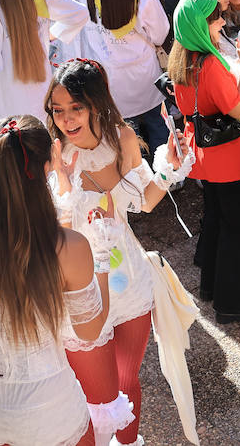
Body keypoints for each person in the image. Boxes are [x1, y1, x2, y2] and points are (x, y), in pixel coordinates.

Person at [0, 116, 108, 446]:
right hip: (49, 405)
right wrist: (104, 260)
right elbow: (89, 332)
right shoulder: (69, 247)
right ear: (45, 170)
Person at [46, 59, 190, 446]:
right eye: (58, 110)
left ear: (96, 104)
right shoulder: (54, 150)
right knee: (90, 393)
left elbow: (144, 201)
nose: (66, 119)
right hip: (79, 289)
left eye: (76, 108)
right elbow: (52, 230)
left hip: (126, 278)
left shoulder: (122, 138)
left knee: (126, 381)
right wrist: (60, 183)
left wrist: (170, 169)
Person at [168, 0, 240, 323]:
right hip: (230, 158)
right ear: (200, 24)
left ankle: (210, 286)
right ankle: (231, 301)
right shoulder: (210, 64)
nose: (222, 21)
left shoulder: (181, 60)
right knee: (236, 228)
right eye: (215, 19)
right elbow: (239, 108)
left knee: (215, 220)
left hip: (204, 156)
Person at [79, 0, 172, 156]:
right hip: (147, 77)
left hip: (110, 81)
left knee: (125, 135)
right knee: (159, 127)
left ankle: (133, 178)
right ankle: (168, 176)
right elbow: (160, 33)